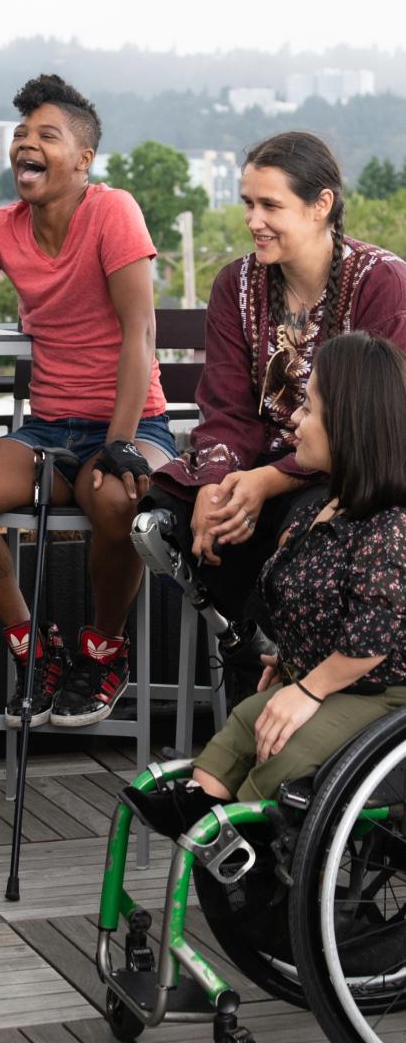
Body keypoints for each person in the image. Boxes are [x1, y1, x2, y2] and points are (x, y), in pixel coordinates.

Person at [0, 74, 175, 728]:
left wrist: (118, 442)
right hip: (49, 433)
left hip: (132, 423)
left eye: (46, 135)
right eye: (21, 135)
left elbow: (140, 334)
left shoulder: (113, 212)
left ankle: (104, 648)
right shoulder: (3, 227)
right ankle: (35, 649)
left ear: (82, 160)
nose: (27, 144)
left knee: (114, 493)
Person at [144, 131, 406, 683]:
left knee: (297, 520)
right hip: (252, 465)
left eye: (270, 205)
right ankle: (243, 646)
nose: (253, 220)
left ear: (321, 206)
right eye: (247, 204)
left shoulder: (381, 283)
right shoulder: (235, 284)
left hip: (348, 471)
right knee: (164, 509)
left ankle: (273, 674)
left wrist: (267, 482)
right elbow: (227, 409)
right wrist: (219, 484)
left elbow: (372, 426)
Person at [124, 332, 406, 839]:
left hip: (384, 693)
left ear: (351, 425)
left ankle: (245, 858)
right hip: (328, 674)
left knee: (282, 748)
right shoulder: (322, 507)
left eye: (310, 408)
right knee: (241, 729)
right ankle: (199, 806)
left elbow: (369, 643)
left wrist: (307, 690)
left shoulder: (390, 526)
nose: (294, 420)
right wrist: (293, 657)